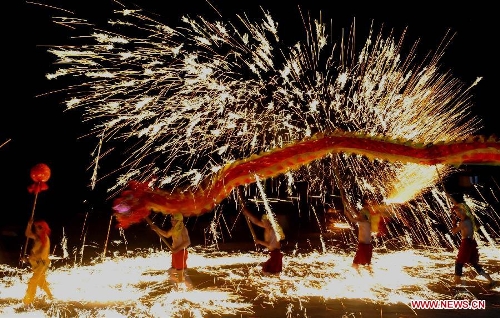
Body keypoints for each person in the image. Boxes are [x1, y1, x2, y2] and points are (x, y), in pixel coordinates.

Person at [451, 199, 496, 289]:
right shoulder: (468, 220)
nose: (456, 214)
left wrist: (454, 223)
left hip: (466, 244)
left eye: (457, 212)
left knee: (459, 263)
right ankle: (491, 281)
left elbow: (454, 232)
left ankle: (455, 284)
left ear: (461, 211)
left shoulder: (464, 222)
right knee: (475, 264)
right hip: (471, 243)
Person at [150, 213, 192, 288]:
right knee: (171, 273)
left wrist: (176, 250)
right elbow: (166, 234)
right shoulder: (174, 228)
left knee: (182, 274)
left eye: (173, 220)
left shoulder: (183, 229)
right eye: (171, 220)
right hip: (175, 253)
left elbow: (187, 242)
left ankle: (191, 289)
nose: (171, 221)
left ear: (178, 221)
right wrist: (157, 229)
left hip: (181, 253)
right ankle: (177, 288)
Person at [241, 206, 285, 274]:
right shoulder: (267, 226)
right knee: (267, 271)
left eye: (264, 222)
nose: (263, 223)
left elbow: (270, 245)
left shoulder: (274, 231)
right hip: (273, 254)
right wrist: (247, 213)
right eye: (263, 221)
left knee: (269, 272)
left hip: (276, 254)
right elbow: (256, 221)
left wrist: (259, 241)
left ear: (269, 222)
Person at [22, 218, 53, 306]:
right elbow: (27, 234)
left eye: (39, 228)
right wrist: (29, 225)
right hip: (36, 264)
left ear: (43, 229)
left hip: (42, 264)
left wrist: (28, 259)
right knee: (41, 282)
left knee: (33, 281)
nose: (36, 229)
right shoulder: (38, 237)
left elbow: (41, 255)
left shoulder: (45, 240)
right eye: (36, 227)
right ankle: (51, 296)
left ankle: (27, 301)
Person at [343, 196, 374, 274]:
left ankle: (367, 275)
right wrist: (347, 204)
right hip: (363, 245)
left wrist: (347, 214)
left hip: (365, 246)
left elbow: (353, 219)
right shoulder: (363, 220)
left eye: (361, 215)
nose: (359, 215)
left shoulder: (365, 223)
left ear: (364, 217)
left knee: (363, 264)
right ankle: (362, 275)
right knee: (359, 263)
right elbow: (354, 214)